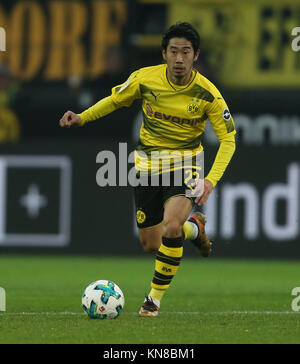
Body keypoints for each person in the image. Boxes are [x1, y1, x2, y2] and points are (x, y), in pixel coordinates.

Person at [60, 22, 236, 317]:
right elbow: (116, 100)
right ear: (164, 54)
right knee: (150, 243)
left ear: (196, 56)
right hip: (146, 168)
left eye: (186, 52)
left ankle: (152, 302)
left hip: (186, 165)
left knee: (170, 226)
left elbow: (229, 139)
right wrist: (82, 117)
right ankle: (195, 229)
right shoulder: (145, 79)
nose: (180, 58)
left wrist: (209, 181)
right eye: (174, 51)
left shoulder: (209, 95)